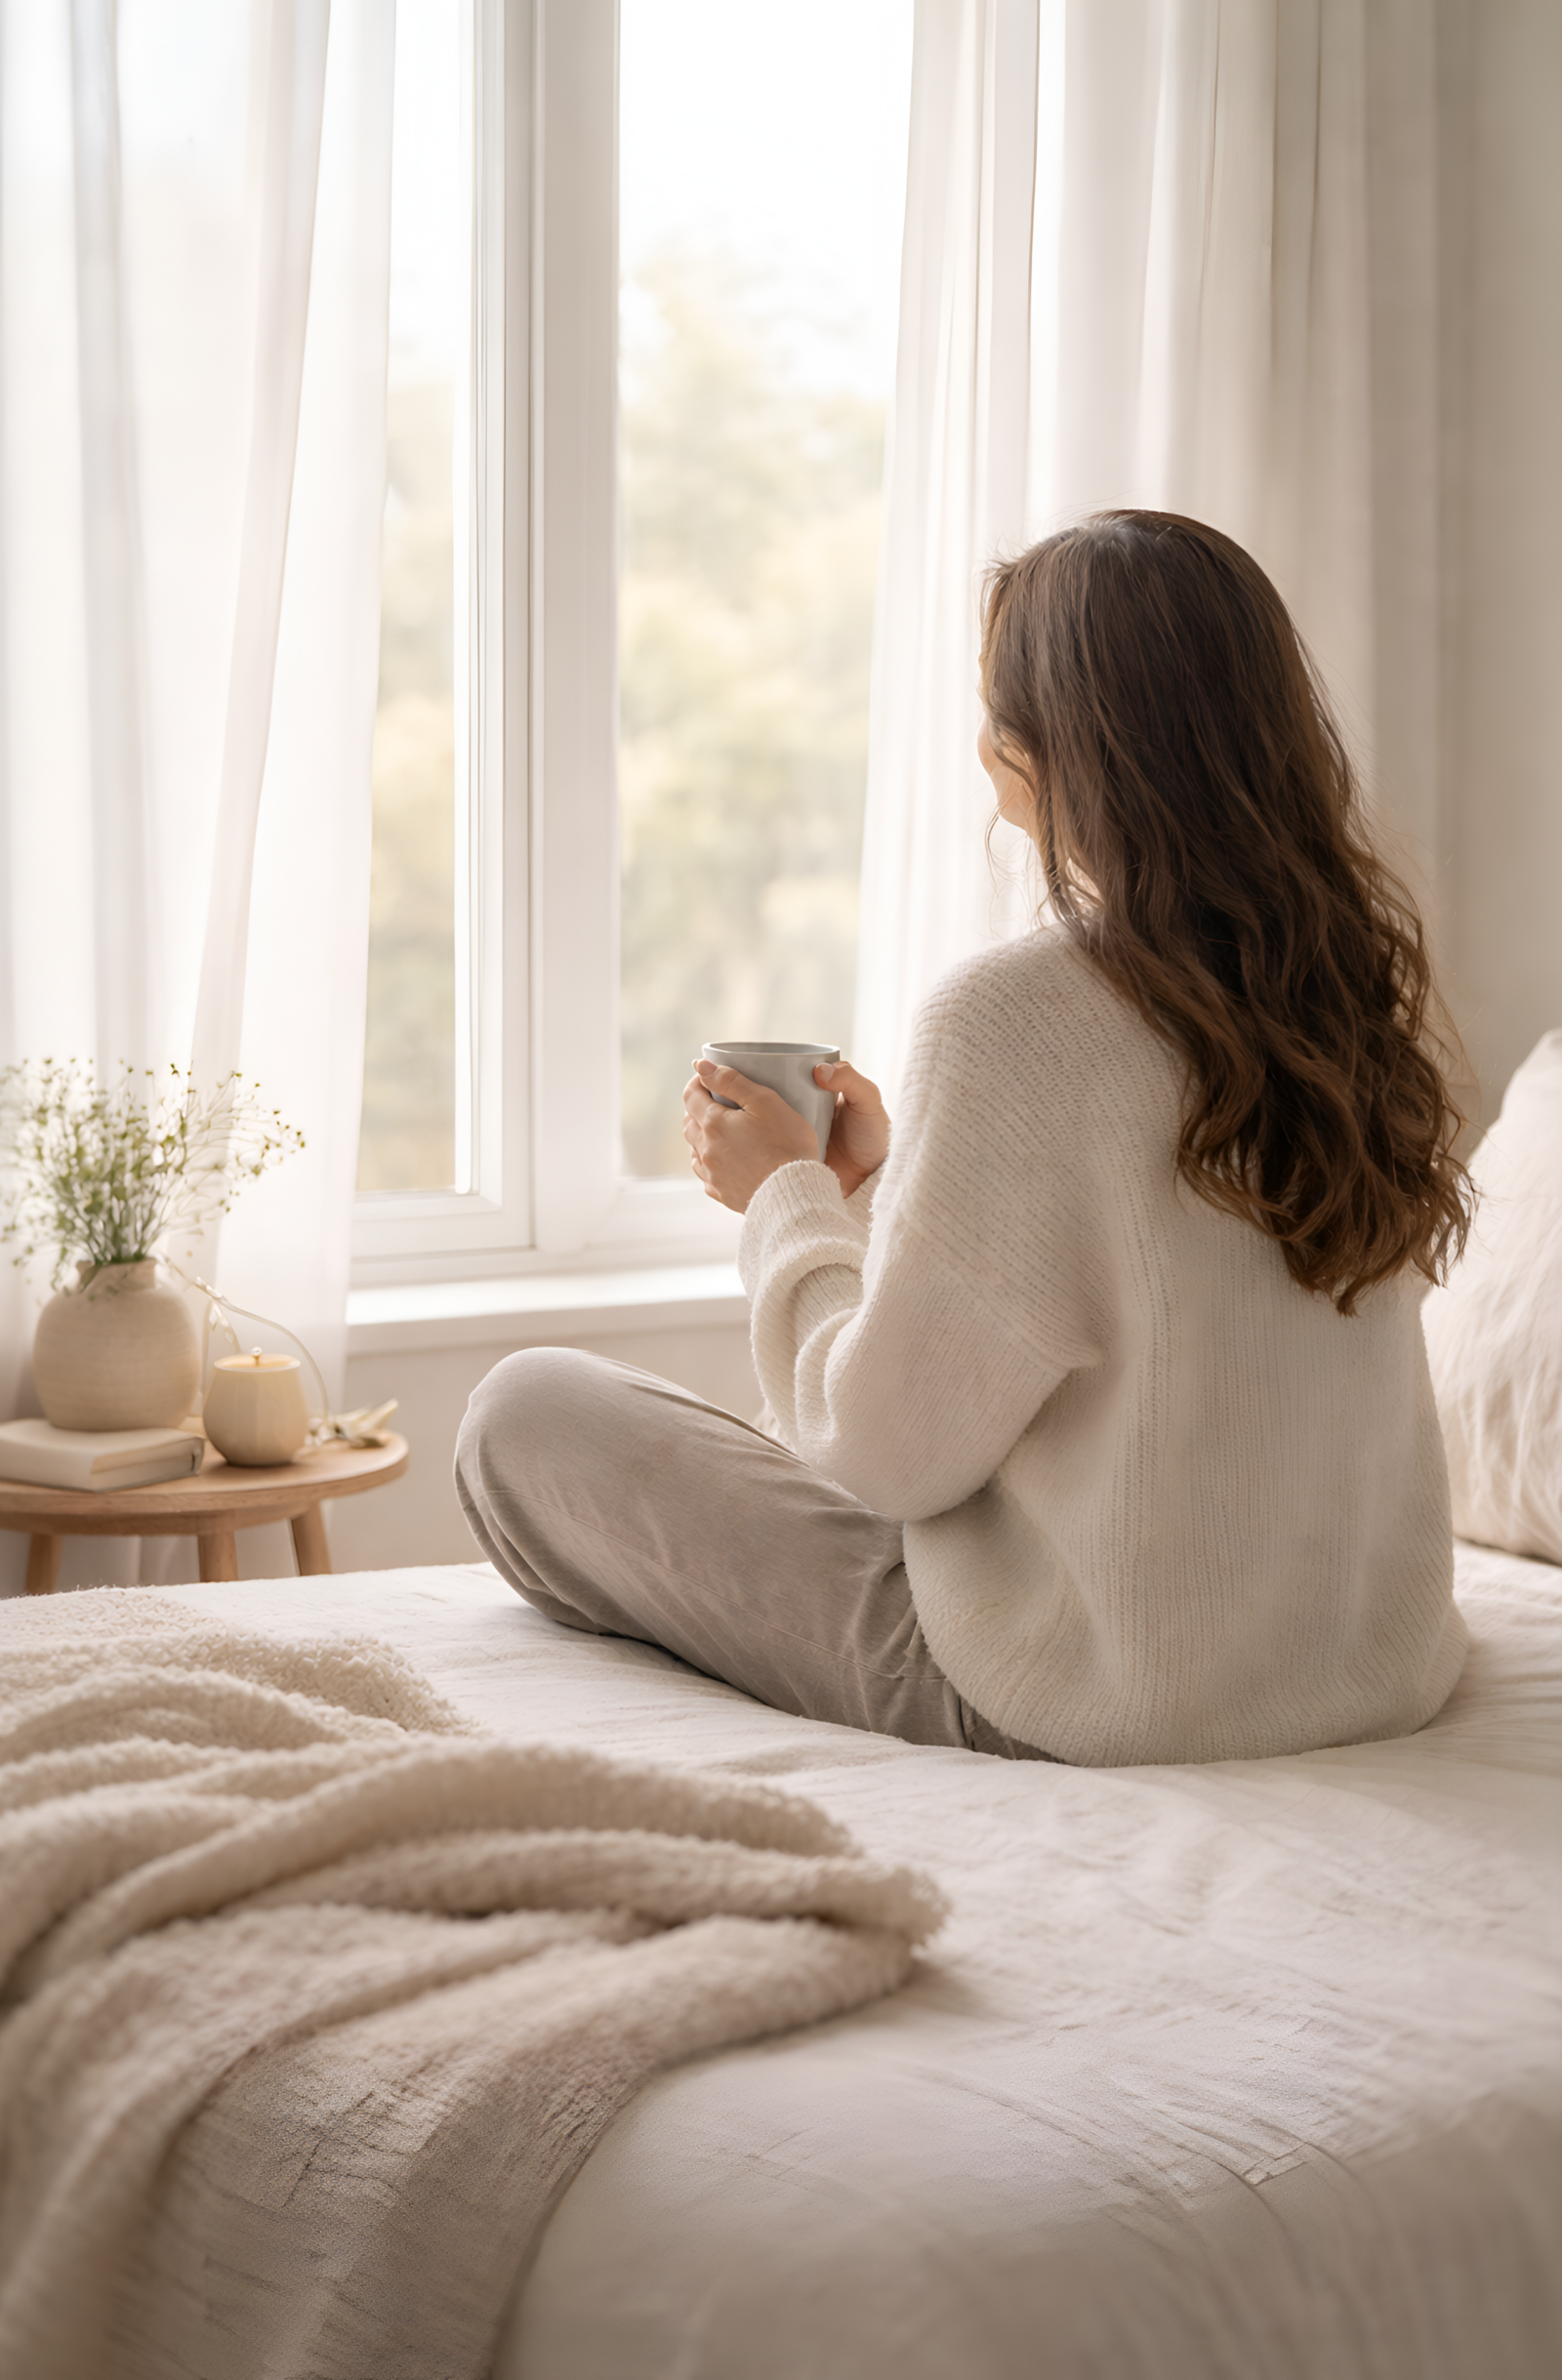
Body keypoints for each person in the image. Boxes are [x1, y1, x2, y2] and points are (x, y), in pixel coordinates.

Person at [456, 511, 1473, 1766]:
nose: (984, 742)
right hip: (1369, 1668)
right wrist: (883, 1182)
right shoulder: (1359, 996)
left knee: (525, 1410)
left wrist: (788, 1199)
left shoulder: (1009, 1017)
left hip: (1103, 1692)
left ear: (1038, 752)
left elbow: (884, 1454)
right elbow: (1137, 1322)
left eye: (997, 711)